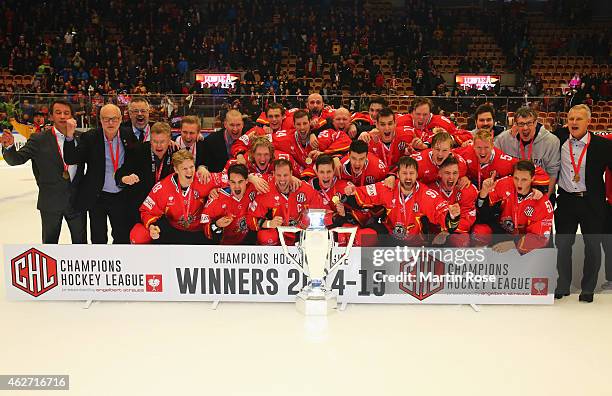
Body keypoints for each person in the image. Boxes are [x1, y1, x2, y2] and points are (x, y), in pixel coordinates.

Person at [1, 100, 87, 244]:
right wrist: (9, 147)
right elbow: (17, 159)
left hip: (77, 201)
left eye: (66, 113)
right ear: (51, 117)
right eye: (58, 113)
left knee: (81, 243)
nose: (62, 116)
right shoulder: (38, 139)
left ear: (72, 116)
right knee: (50, 244)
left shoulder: (81, 138)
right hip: (50, 202)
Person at [553, 104, 612, 303]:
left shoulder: (603, 145)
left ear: (589, 122)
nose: (574, 122)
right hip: (567, 200)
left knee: (593, 246)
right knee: (562, 244)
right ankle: (563, 284)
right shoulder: (558, 139)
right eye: (571, 119)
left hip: (592, 203)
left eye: (579, 119)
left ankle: (588, 288)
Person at [344, 156, 461, 246]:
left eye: (411, 173)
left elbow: (446, 220)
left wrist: (453, 216)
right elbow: (363, 194)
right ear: (398, 174)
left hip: (415, 243)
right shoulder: (388, 187)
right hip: (389, 234)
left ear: (416, 175)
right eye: (405, 173)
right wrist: (351, 192)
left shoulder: (426, 194)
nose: (408, 177)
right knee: (363, 236)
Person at [63, 103, 138, 244]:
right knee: (98, 238)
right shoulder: (90, 137)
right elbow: (71, 158)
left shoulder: (128, 135)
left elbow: (135, 157)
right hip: (97, 196)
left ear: (121, 119)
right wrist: (69, 136)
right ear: (100, 120)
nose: (110, 123)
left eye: (114, 119)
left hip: (121, 196)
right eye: (106, 119)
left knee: (122, 236)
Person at [131, 150, 227, 244]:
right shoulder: (162, 187)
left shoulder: (203, 179)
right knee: (139, 235)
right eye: (185, 169)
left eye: (192, 167)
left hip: (200, 231)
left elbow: (231, 179)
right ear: (176, 169)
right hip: (174, 230)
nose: (190, 172)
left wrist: (218, 190)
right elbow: (146, 210)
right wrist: (152, 226)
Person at [474, 160, 553, 254]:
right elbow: (483, 213)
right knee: (480, 231)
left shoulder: (542, 203)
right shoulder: (504, 184)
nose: (519, 183)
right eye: (516, 178)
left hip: (525, 245)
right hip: (504, 233)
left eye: (524, 179)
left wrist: (513, 244)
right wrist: (484, 193)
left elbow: (541, 238)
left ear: (532, 179)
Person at [247, 159, 325, 245]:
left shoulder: (305, 189)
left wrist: (308, 224)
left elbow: (320, 211)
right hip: (277, 234)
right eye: (279, 175)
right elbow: (251, 219)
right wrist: (269, 223)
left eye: (285, 175)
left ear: (291, 174)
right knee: (266, 237)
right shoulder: (266, 190)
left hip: (300, 234)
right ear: (273, 174)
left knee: (316, 236)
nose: (282, 179)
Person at [115, 122, 176, 231]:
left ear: (169, 141)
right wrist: (125, 179)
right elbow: (120, 173)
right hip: (139, 208)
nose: (158, 145)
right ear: (150, 139)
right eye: (155, 141)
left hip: (166, 211)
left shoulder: (175, 153)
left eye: (162, 141)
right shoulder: (138, 151)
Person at [494, 106, 560, 195]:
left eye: (529, 123)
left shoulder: (551, 141)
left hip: (540, 191)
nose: (525, 128)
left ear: (536, 123)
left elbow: (553, 173)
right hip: (512, 192)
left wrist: (545, 199)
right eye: (521, 124)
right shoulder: (503, 140)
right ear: (516, 124)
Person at [428, 156, 478, 247]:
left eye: (455, 173)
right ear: (439, 173)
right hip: (432, 233)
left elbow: (467, 222)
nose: (451, 177)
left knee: (462, 239)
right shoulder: (430, 190)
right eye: (447, 173)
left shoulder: (467, 190)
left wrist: (446, 231)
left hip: (455, 232)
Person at [201, 164, 257, 245]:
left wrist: (254, 178)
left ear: (247, 181)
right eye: (233, 182)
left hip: (247, 240)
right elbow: (205, 230)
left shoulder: (252, 188)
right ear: (228, 182)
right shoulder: (217, 199)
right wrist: (217, 225)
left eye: (240, 182)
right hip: (224, 246)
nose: (237, 186)